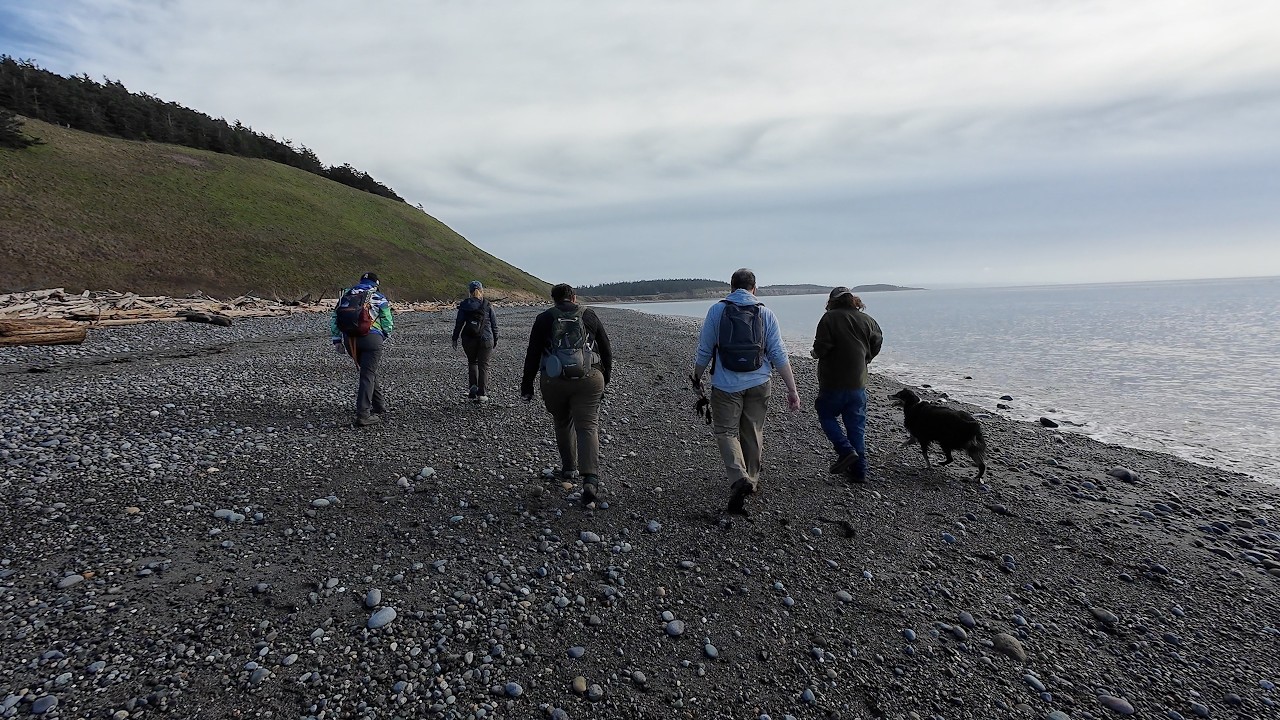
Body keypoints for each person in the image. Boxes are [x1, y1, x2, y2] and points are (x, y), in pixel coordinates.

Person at [692, 268, 801, 515]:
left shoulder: (717, 311)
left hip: (725, 385)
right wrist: (792, 389)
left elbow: (705, 349)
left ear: (731, 288)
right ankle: (751, 481)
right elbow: (778, 353)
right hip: (760, 383)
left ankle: (738, 476)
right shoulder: (766, 313)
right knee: (753, 430)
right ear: (755, 288)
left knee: (726, 432)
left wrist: (697, 376)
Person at [521, 283, 613, 507]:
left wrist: (527, 385)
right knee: (588, 425)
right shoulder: (589, 315)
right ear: (573, 297)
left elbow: (532, 353)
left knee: (562, 421)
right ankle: (590, 479)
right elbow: (606, 348)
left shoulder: (544, 318)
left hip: (554, 380)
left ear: (553, 299)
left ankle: (569, 468)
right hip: (589, 378)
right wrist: (605, 377)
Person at [811, 288, 883, 481]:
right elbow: (877, 342)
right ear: (853, 300)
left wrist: (815, 353)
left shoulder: (829, 319)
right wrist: (866, 358)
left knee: (825, 414)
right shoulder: (868, 320)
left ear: (832, 301)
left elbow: (822, 347)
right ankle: (859, 472)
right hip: (858, 382)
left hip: (833, 381)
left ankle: (845, 450)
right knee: (856, 425)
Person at [330, 272, 394, 426]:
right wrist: (384, 335)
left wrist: (337, 340)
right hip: (371, 338)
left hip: (350, 340)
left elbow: (335, 318)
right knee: (367, 374)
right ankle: (363, 414)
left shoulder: (346, 295)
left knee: (368, 371)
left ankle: (379, 405)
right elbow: (387, 319)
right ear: (376, 284)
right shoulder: (378, 296)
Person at [452, 280, 498, 402]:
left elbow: (459, 323)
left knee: (472, 362)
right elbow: (494, 324)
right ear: (481, 291)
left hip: (469, 338)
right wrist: (496, 338)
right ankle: (482, 394)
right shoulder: (487, 304)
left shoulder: (464, 305)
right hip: (486, 339)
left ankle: (473, 387)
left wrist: (455, 338)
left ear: (470, 292)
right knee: (484, 366)